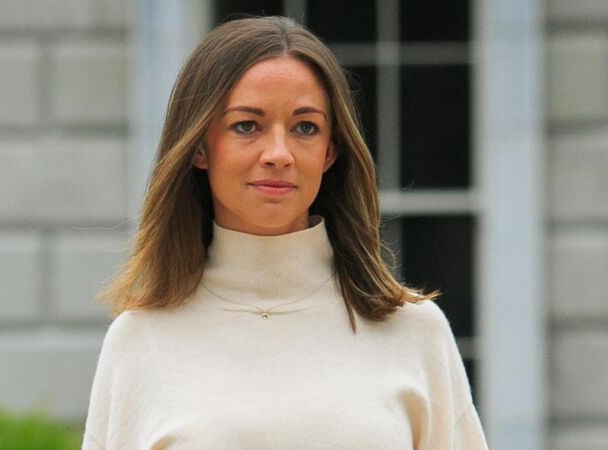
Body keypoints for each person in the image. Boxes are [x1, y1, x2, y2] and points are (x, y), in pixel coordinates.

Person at [82, 15, 488, 450]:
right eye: (247, 126)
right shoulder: (140, 340)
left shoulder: (415, 333)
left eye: (305, 128)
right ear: (199, 146)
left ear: (330, 151)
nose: (278, 154)